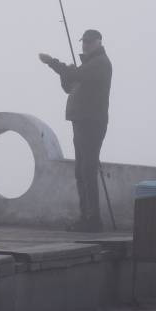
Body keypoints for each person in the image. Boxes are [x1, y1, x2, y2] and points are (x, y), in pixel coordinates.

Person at [39, 29, 112, 232]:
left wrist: (53, 63)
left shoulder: (100, 64)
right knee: (81, 171)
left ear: (99, 42)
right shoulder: (89, 65)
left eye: (89, 42)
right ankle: (86, 217)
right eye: (84, 42)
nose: (85, 45)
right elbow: (70, 85)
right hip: (81, 121)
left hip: (91, 123)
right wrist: (65, 74)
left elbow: (76, 75)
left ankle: (93, 220)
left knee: (87, 170)